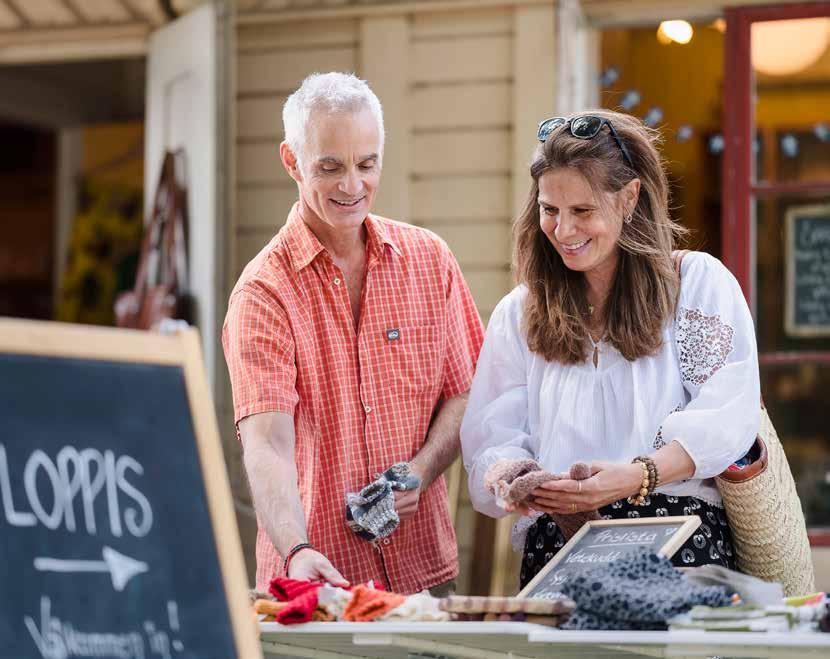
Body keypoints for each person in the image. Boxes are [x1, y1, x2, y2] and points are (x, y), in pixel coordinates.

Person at [460, 110, 760, 588]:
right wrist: (518, 476)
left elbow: (728, 418)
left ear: (629, 198)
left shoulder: (696, 284)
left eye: (582, 211)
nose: (563, 230)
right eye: (549, 210)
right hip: (559, 549)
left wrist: (639, 476)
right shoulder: (519, 312)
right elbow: (489, 439)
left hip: (677, 540)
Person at [222, 72, 484, 596]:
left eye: (367, 165)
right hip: (317, 582)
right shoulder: (263, 292)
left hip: (423, 575)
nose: (352, 186)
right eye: (330, 167)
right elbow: (268, 444)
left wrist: (421, 470)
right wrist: (297, 549)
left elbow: (466, 392)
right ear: (292, 161)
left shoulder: (430, 261)